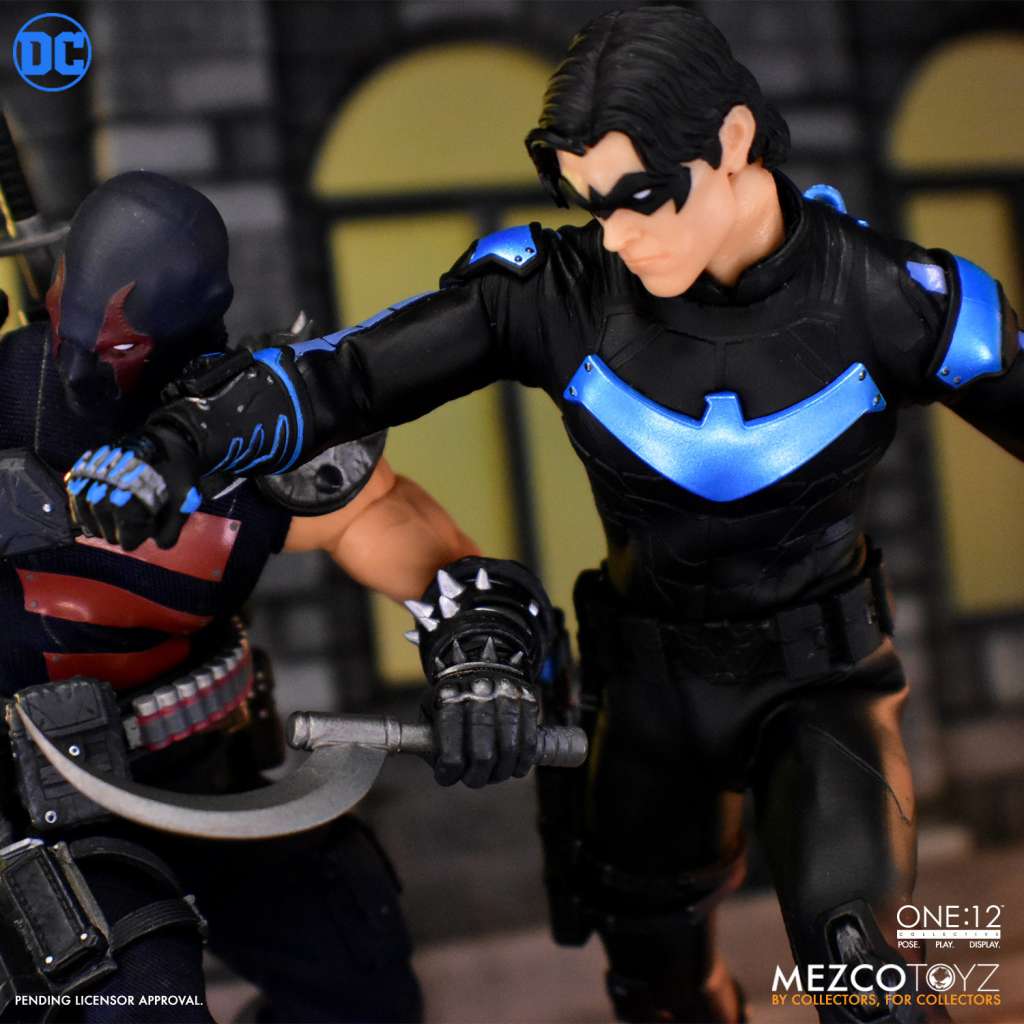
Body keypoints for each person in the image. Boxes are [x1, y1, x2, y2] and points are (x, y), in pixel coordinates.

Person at [65, 7, 1024, 1022]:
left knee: (861, 970)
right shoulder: (561, 289)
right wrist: (179, 443)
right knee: (660, 987)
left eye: (642, 197)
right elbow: (347, 375)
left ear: (734, 140)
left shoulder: (898, 299)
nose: (620, 236)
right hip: (650, 695)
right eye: (592, 204)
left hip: (822, 685)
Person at [0, 170, 480, 1023]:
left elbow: (397, 527)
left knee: (361, 975)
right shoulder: (10, 391)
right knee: (136, 997)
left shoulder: (255, 418)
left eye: (111, 348)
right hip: (37, 806)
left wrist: (487, 652)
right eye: (67, 327)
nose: (75, 366)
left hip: (206, 784)